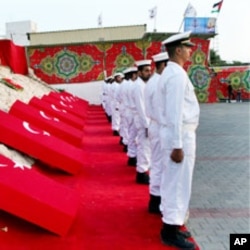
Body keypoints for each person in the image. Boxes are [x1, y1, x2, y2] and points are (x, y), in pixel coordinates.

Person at [157, 31, 199, 249]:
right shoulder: (176, 75)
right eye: (188, 47)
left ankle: (173, 224)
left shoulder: (172, 73)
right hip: (180, 135)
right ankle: (170, 230)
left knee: (173, 182)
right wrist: (177, 145)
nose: (191, 50)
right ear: (179, 50)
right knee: (178, 184)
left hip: (177, 133)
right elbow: (174, 113)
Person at [144, 52, 169, 214]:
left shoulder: (152, 82)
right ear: (162, 66)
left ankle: (156, 199)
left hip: (155, 124)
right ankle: (156, 200)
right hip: (159, 126)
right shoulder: (158, 83)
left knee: (157, 163)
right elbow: (162, 109)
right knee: (160, 165)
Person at [131, 60, 152, 184]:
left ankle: (143, 169)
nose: (149, 73)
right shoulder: (138, 86)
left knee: (146, 147)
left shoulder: (144, 84)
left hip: (146, 120)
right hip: (143, 121)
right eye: (146, 71)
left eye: (150, 70)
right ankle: (141, 172)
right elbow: (141, 107)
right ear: (139, 73)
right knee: (144, 147)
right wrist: (147, 125)